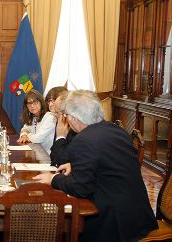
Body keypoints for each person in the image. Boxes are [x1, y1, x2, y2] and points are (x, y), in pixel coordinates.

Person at [34, 90, 158, 241]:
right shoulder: (116, 130)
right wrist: (74, 165)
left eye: (66, 116)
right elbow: (107, 164)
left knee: (61, 230)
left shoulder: (84, 140)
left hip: (114, 223)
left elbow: (80, 188)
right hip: (137, 215)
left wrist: (53, 179)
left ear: (74, 118)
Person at [17, 87, 66, 153]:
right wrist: (24, 135)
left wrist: (28, 136)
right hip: (38, 154)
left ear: (41, 102)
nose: (32, 106)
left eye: (35, 102)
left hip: (48, 156)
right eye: (29, 103)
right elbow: (25, 128)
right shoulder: (34, 117)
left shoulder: (50, 116)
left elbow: (38, 138)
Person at [49, 90, 77, 167]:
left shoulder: (78, 131)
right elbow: (53, 156)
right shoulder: (61, 124)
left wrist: (61, 137)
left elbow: (64, 162)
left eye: (57, 112)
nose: (55, 115)